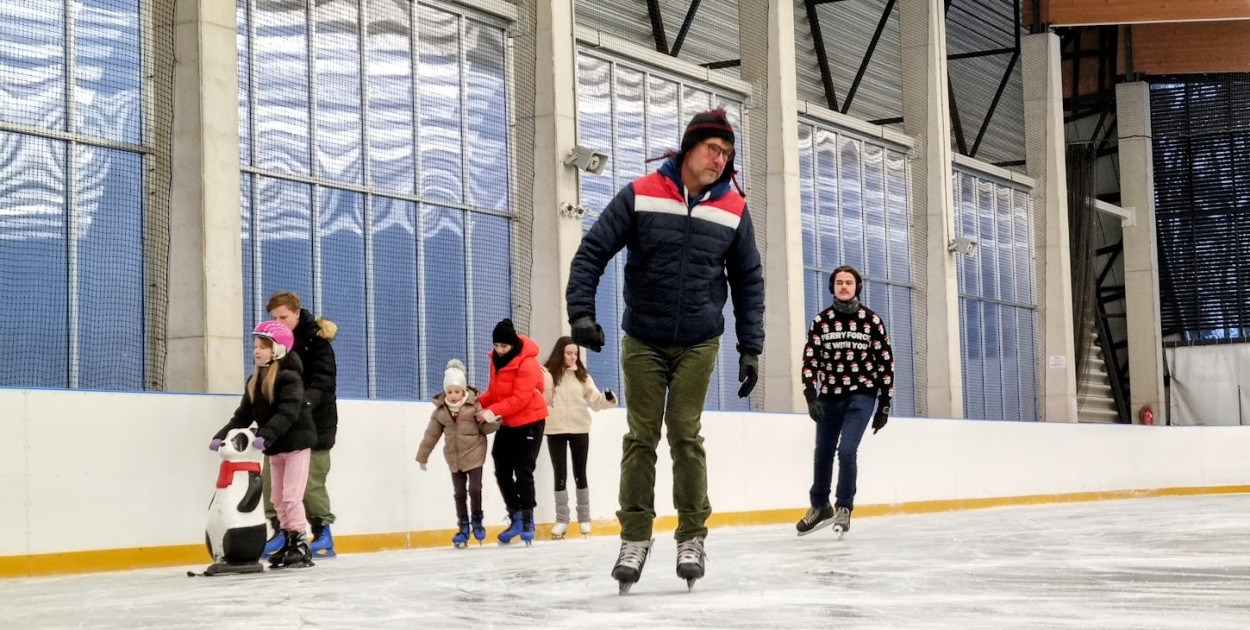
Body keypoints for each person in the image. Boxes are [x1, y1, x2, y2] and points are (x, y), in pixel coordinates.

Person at [565, 108, 765, 591]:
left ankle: (691, 536)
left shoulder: (734, 209)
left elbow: (748, 280)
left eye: (727, 154)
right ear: (690, 147)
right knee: (641, 435)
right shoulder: (641, 193)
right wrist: (581, 314)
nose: (719, 160)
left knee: (684, 432)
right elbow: (592, 250)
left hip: (700, 339)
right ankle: (634, 538)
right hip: (644, 337)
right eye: (712, 150)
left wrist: (750, 347)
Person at [211, 321, 318, 569]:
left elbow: (288, 412)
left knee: (291, 497)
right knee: (278, 499)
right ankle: (289, 542)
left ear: (279, 349)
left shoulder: (289, 378)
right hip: (275, 445)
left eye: (263, 347)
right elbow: (243, 415)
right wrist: (223, 435)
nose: (257, 351)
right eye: (255, 346)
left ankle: (301, 544)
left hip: (296, 444)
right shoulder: (256, 379)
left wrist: (266, 434)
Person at [796, 265, 894, 537]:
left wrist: (884, 404)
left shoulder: (871, 321)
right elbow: (810, 361)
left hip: (862, 395)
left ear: (856, 287)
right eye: (839, 282)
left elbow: (885, 363)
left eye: (848, 282)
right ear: (832, 287)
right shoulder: (821, 321)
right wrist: (810, 396)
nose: (843, 286)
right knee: (822, 453)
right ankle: (819, 506)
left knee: (847, 450)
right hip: (829, 397)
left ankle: (844, 507)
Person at [264, 291, 339, 558]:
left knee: (310, 482)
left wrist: (301, 405)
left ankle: (322, 533)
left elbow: (323, 382)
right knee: (272, 483)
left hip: (315, 425)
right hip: (283, 425)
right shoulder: (273, 344)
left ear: (297, 313)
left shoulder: (317, 343)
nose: (279, 322)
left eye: (283, 317)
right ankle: (282, 531)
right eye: (274, 317)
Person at [477, 318, 548, 545]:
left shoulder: (527, 362)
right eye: (496, 346)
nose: (499, 350)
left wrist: (491, 412)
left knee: (523, 469)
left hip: (530, 420)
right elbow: (495, 392)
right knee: (501, 466)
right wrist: (475, 402)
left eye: (504, 346)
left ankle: (528, 517)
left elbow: (521, 398)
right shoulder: (495, 360)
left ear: (513, 344)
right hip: (509, 420)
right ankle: (515, 515)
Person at [416, 359, 500, 547]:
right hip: (454, 458)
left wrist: (494, 419)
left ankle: (477, 521)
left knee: (475, 489)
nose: (453, 396)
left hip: (474, 453)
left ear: (464, 390)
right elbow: (431, 435)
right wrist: (423, 456)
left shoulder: (473, 406)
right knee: (460, 493)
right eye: (450, 392)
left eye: (457, 391)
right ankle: (463, 525)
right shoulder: (441, 411)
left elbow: (485, 428)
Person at [540, 336, 617, 539]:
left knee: (580, 473)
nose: (573, 357)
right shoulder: (547, 375)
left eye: (575, 353)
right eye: (569, 353)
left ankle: (584, 518)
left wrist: (606, 398)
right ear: (560, 353)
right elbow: (538, 397)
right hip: (555, 429)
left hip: (579, 428)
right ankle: (562, 520)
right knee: (560, 474)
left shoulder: (583, 376)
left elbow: (595, 401)